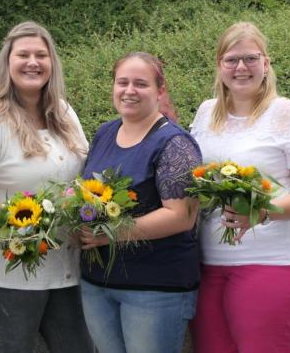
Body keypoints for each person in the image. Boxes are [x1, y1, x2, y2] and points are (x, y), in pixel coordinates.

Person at [187, 22, 290, 353]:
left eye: (251, 58)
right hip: (211, 263)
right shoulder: (207, 113)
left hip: (277, 261)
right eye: (231, 60)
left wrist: (264, 211)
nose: (241, 67)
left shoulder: (289, 115)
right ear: (219, 66)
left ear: (266, 64)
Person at [0, 21, 95, 353]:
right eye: (23, 54)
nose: (33, 62)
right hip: (7, 270)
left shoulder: (64, 114)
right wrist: (14, 227)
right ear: (7, 62)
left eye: (41, 55)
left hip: (63, 265)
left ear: (52, 63)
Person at [78, 52, 203, 353]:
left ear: (160, 91)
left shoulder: (175, 144)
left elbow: (181, 216)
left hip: (153, 288)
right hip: (98, 283)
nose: (129, 90)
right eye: (122, 82)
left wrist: (108, 235)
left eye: (141, 84)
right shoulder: (106, 132)